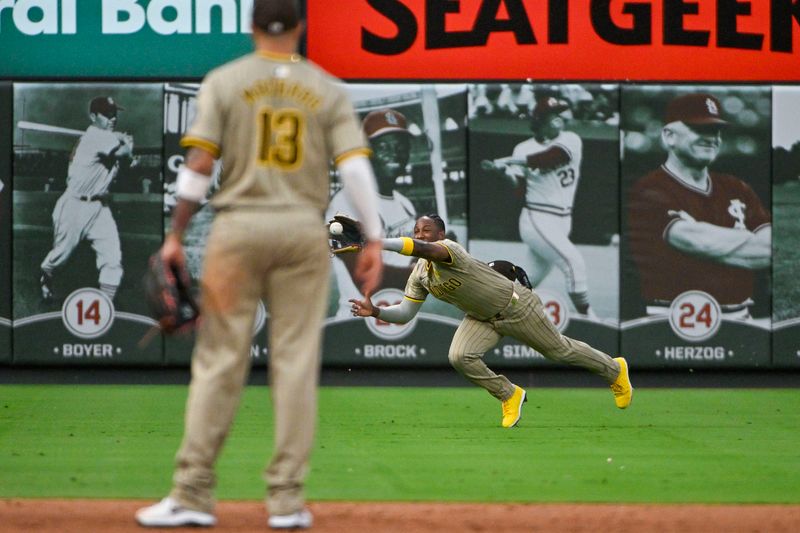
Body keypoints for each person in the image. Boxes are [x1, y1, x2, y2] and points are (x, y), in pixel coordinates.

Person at [134, 1, 384, 529]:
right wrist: (375, 238)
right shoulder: (327, 87)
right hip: (301, 229)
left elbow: (199, 166)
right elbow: (355, 168)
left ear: (250, 27)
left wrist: (176, 234)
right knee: (294, 365)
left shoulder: (224, 81)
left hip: (238, 228)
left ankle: (192, 494)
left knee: (220, 360)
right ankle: (287, 503)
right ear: (301, 26)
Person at [349, 214, 633, 429]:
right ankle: (509, 395)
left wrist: (376, 242)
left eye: (427, 231)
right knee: (460, 356)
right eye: (417, 231)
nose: (422, 235)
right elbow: (405, 313)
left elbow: (422, 249)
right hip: (481, 318)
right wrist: (377, 312)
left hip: (516, 307)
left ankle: (614, 370)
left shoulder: (449, 249)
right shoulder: (420, 275)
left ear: (441, 234)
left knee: (559, 350)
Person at [627, 93, 771, 318]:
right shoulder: (649, 189)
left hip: (742, 318)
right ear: (669, 136)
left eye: (715, 130)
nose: (711, 138)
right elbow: (695, 240)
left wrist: (709, 244)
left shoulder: (737, 187)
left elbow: (769, 249)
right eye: (699, 129)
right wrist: (747, 238)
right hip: (670, 322)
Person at [481, 95, 595, 317]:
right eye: (554, 115)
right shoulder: (522, 148)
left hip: (563, 220)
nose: (560, 119)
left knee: (528, 281)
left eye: (560, 113)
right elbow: (518, 189)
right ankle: (589, 316)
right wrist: (503, 173)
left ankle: (494, 312)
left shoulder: (570, 139)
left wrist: (508, 161)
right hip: (537, 218)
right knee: (573, 263)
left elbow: (552, 157)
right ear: (540, 121)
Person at [38, 96, 134, 302]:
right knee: (59, 257)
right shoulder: (96, 137)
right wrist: (127, 143)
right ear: (93, 117)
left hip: (100, 207)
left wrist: (122, 146)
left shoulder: (104, 138)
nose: (113, 118)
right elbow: (125, 152)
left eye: (114, 114)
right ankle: (46, 274)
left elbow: (122, 162)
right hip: (74, 206)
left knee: (112, 258)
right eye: (107, 115)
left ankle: (105, 304)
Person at [326, 108, 417, 317]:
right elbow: (367, 279)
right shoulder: (344, 206)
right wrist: (423, 271)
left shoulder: (406, 204)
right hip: (357, 324)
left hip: (402, 320)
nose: (394, 153)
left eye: (401, 146)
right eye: (383, 146)